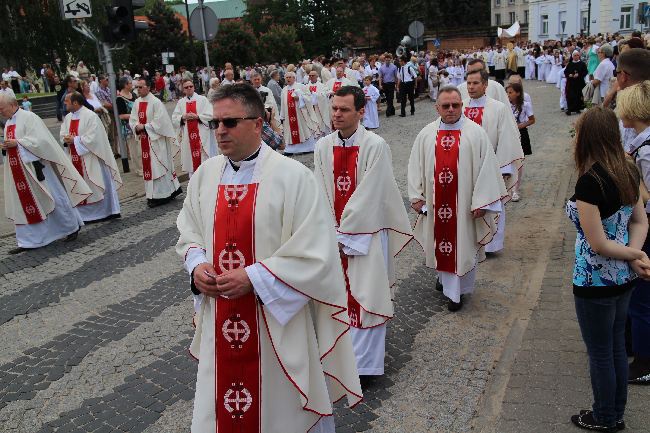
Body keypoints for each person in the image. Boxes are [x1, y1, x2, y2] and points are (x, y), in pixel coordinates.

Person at [176, 83, 362, 433]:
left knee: (280, 411)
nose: (220, 131)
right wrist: (197, 264)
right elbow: (189, 229)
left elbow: (316, 252)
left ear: (258, 123)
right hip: (222, 316)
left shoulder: (292, 178)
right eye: (215, 123)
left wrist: (255, 277)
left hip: (274, 319)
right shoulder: (205, 175)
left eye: (230, 122)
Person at [313, 85, 412, 378]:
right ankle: (341, 356)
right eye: (334, 109)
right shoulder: (322, 146)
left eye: (344, 109)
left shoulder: (375, 145)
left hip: (366, 235)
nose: (337, 115)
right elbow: (318, 189)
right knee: (338, 296)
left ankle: (366, 366)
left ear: (360, 111)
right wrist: (328, 229)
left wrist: (347, 231)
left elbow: (372, 192)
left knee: (367, 297)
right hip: (334, 235)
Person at [566, 106, 650, 432]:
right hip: (624, 278)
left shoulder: (590, 182)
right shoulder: (629, 169)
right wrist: (635, 255)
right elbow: (641, 221)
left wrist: (631, 255)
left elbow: (598, 243)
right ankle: (616, 411)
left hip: (594, 278)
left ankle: (605, 416)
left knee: (600, 353)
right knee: (615, 347)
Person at [408, 86, 507, 311]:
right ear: (437, 108)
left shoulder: (475, 133)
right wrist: (416, 196)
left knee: (462, 246)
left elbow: (487, 170)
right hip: (436, 204)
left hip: (464, 207)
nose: (451, 109)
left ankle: (457, 293)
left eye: (455, 105)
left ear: (462, 105)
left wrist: (482, 202)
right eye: (446, 106)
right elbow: (415, 166)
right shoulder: (426, 134)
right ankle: (444, 281)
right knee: (440, 243)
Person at [0, 93, 92, 254]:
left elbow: (42, 141)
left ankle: (71, 227)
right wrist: (6, 148)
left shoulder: (29, 117)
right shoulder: (8, 123)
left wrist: (18, 143)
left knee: (54, 197)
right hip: (18, 171)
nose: (0, 111)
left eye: (1, 108)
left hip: (37, 168)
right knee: (25, 203)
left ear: (13, 104)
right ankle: (29, 240)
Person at [462, 69, 524, 254]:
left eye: (475, 83)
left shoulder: (498, 108)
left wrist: (505, 167)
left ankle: (491, 244)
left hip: (491, 166)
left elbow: (506, 138)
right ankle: (469, 241)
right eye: (469, 83)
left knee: (491, 204)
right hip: (465, 167)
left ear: (485, 85)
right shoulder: (461, 106)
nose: (471, 87)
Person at [616, 81, 650, 385]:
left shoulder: (647, 148)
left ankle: (644, 361)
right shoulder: (640, 141)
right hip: (640, 222)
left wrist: (627, 171)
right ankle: (631, 345)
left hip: (647, 226)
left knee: (642, 297)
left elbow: (648, 196)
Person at [60, 92, 122, 223]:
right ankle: (83, 216)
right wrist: (66, 139)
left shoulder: (91, 116)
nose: (64, 103)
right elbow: (62, 134)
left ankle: (105, 212)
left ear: (75, 103)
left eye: (67, 101)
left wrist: (75, 140)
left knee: (97, 184)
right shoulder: (68, 118)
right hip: (74, 158)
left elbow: (95, 138)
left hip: (91, 159)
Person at [129, 78, 182, 207]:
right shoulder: (137, 102)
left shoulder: (156, 102)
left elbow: (161, 122)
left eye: (141, 87)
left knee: (158, 167)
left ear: (148, 87)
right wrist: (136, 126)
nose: (138, 90)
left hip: (157, 142)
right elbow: (133, 119)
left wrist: (145, 127)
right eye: (137, 87)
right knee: (149, 168)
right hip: (145, 141)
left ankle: (163, 194)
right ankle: (152, 195)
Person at [171, 78, 215, 177]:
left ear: (194, 87)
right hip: (188, 139)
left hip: (201, 138)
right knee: (192, 164)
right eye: (186, 87)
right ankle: (193, 187)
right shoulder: (181, 103)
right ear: (183, 90)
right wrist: (183, 117)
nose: (189, 88)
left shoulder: (202, 99)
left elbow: (210, 115)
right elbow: (174, 119)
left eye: (191, 86)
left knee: (204, 163)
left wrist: (198, 117)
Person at [506, 82, 534, 202]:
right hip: (508, 134)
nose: (508, 95)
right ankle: (508, 186)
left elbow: (532, 120)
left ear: (517, 93)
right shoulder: (505, 105)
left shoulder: (525, 105)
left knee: (518, 162)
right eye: (507, 92)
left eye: (510, 92)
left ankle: (516, 189)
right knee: (508, 160)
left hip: (521, 133)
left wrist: (520, 125)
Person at [280, 71, 317, 154]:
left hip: (301, 115)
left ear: (294, 78)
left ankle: (307, 148)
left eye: (290, 77)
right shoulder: (284, 90)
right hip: (288, 116)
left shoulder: (301, 87)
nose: (288, 79)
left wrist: (299, 98)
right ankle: (290, 150)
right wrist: (282, 116)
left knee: (303, 130)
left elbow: (309, 98)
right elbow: (283, 103)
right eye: (286, 78)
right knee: (290, 132)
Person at [116, 77, 141, 176]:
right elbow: (121, 116)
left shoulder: (133, 95)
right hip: (129, 128)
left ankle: (144, 166)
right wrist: (134, 116)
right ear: (125, 85)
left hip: (138, 125)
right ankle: (138, 169)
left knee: (141, 148)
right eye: (130, 83)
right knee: (134, 150)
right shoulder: (119, 99)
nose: (132, 85)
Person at [306, 70, 331, 136]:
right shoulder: (306, 86)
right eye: (310, 75)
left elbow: (324, 95)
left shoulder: (322, 86)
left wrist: (313, 93)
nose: (311, 77)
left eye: (313, 75)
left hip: (319, 109)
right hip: (310, 109)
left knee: (320, 125)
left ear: (317, 76)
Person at [565, 50, 588, 116]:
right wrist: (569, 75)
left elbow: (585, 72)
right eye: (575, 55)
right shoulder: (570, 64)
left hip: (579, 82)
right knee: (571, 96)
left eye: (578, 55)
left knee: (579, 95)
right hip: (571, 83)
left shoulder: (582, 63)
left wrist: (579, 75)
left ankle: (578, 108)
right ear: (572, 56)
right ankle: (570, 109)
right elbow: (566, 72)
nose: (576, 56)